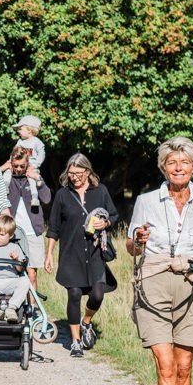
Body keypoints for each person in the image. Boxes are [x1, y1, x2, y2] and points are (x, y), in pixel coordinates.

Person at [126, 137, 193, 385]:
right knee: (165, 366)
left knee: (184, 366)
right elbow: (131, 246)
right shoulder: (146, 201)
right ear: (163, 167)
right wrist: (138, 240)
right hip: (153, 281)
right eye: (172, 163)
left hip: (190, 283)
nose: (178, 168)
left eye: (184, 162)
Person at [45, 153, 118, 358]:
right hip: (71, 253)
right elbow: (54, 228)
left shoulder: (100, 191)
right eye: (71, 173)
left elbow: (113, 215)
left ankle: (86, 322)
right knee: (75, 294)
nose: (74, 177)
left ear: (87, 171)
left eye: (78, 173)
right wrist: (49, 254)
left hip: (95, 253)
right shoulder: (63, 194)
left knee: (97, 294)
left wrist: (106, 223)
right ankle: (76, 341)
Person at [2, 145, 52, 297]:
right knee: (11, 274)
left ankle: (31, 308)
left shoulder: (33, 177)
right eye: (15, 165)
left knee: (32, 275)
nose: (18, 169)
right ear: (11, 163)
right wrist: (2, 168)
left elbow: (47, 198)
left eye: (22, 166)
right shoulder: (6, 179)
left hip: (32, 232)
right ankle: (16, 307)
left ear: (28, 163)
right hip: (11, 233)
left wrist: (38, 178)